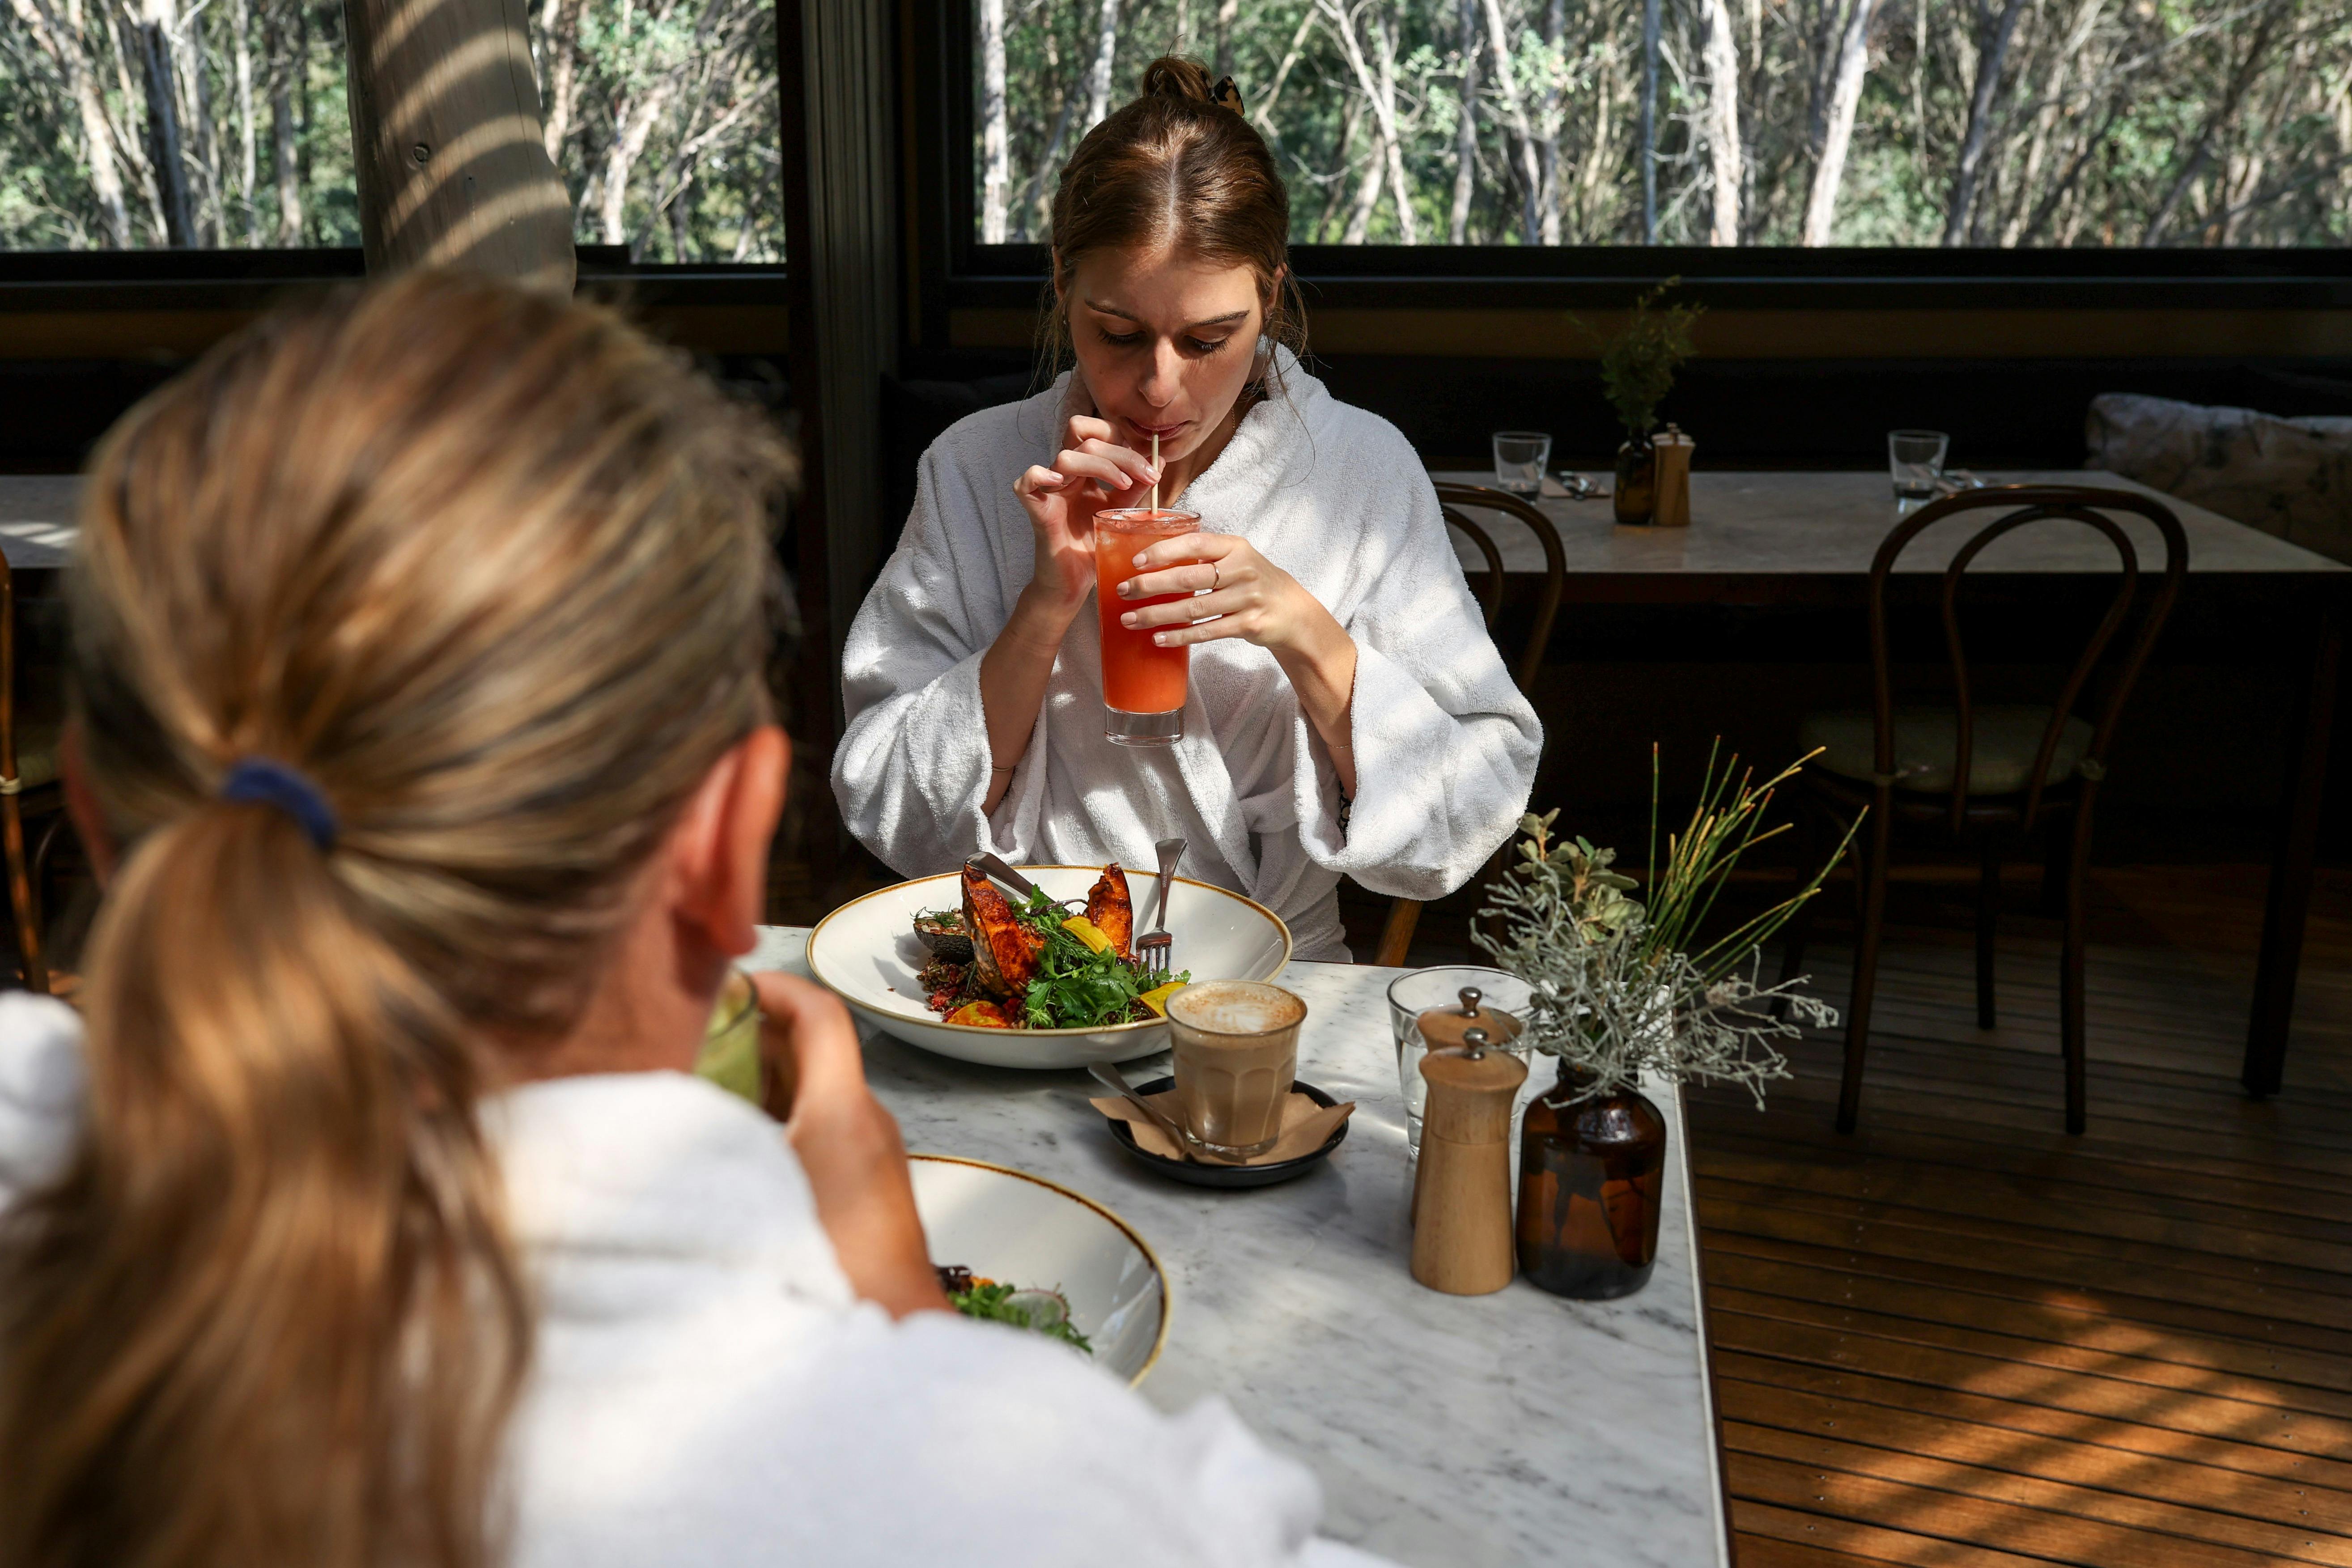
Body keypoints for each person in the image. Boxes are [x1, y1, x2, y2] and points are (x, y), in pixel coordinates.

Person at [0, 273, 1388, 1568]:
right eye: (1119, 329)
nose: (1159, 377)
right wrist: (906, 1323)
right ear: (729, 847)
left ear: (110, 831)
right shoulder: (1076, 1511)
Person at [833, 58, 1541, 960]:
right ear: (1062, 282)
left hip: (1273, 993)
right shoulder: (976, 467)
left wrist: (1304, 630)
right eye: (1118, 334)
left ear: (1270, 296)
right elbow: (888, 798)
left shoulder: (1360, 472)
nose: (1160, 386)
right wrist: (1046, 605)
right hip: (1036, 980)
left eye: (1209, 340)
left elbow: (1471, 802)